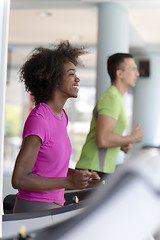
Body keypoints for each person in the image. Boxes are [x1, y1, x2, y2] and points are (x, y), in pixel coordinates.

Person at [12, 41, 100, 213]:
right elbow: (19, 179)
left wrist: (77, 176)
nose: (78, 79)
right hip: (33, 210)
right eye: (71, 74)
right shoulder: (39, 119)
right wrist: (68, 183)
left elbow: (49, 166)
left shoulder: (61, 116)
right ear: (54, 79)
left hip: (53, 207)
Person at [76, 53, 144, 179]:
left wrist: (121, 143)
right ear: (120, 74)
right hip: (93, 170)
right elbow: (103, 139)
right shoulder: (111, 98)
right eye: (133, 69)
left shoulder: (116, 98)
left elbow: (106, 137)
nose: (137, 73)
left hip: (99, 169)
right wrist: (132, 138)